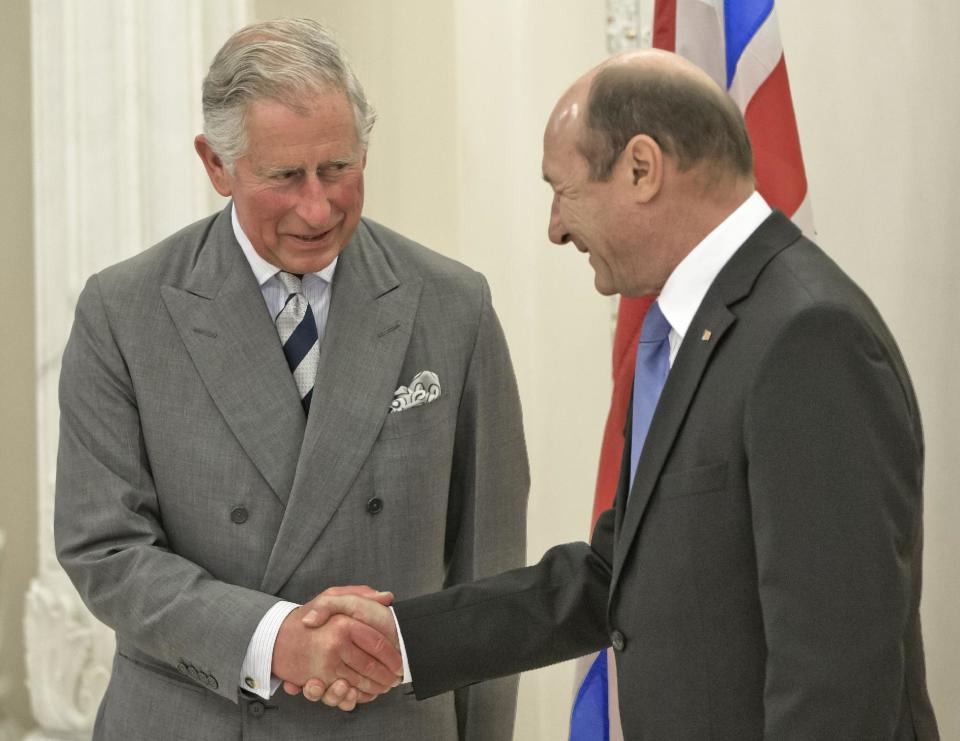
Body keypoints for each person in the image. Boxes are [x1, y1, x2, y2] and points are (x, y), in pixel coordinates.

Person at [298, 49, 941, 740]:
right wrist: (405, 637)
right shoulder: (690, 329)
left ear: (641, 168)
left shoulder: (807, 335)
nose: (555, 227)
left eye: (562, 188)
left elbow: (838, 670)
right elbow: (617, 573)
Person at [53, 18, 528, 741]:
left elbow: (487, 569)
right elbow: (106, 549)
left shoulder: (454, 305)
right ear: (217, 165)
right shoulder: (123, 311)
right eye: (285, 177)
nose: (318, 207)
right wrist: (279, 639)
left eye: (338, 168)